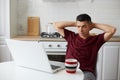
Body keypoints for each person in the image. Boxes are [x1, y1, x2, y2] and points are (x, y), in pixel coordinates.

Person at [53, 14, 116, 80]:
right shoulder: (71, 36)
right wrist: (75, 23)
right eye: (78, 27)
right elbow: (56, 25)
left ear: (89, 27)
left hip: (86, 72)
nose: (81, 30)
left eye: (84, 26)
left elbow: (112, 30)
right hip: (69, 71)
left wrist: (93, 25)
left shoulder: (96, 40)